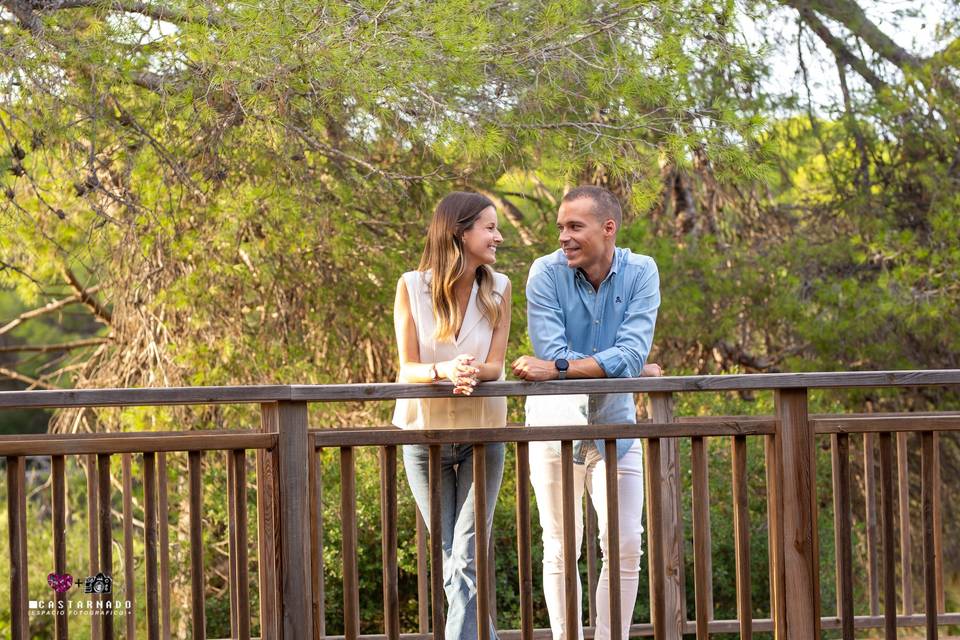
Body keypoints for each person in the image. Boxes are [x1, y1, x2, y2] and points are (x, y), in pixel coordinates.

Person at [512, 185, 661, 640]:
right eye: (560, 227)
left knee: (626, 546)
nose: (564, 237)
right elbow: (558, 348)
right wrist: (619, 364)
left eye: (575, 226)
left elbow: (629, 353)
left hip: (617, 424)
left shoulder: (641, 272)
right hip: (555, 424)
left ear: (608, 228)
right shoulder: (544, 274)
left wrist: (560, 368)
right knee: (559, 547)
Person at [393, 191, 512, 640]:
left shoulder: (500, 288)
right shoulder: (411, 286)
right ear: (460, 233)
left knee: (464, 553)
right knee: (451, 553)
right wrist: (443, 369)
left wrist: (474, 369)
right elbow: (406, 367)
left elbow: (496, 366)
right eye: (490, 227)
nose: (498, 236)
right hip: (426, 436)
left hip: (484, 433)